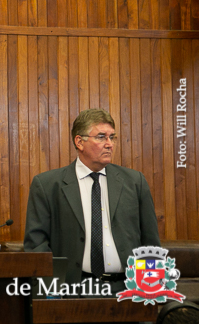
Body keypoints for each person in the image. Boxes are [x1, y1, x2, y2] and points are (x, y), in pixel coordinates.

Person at [24, 108, 160, 292]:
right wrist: (51, 292)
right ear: (79, 142)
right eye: (101, 137)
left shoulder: (135, 182)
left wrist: (151, 290)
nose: (109, 144)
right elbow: (36, 245)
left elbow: (150, 241)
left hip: (127, 289)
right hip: (73, 290)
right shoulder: (47, 185)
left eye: (112, 137)